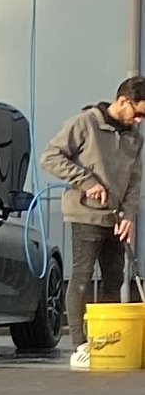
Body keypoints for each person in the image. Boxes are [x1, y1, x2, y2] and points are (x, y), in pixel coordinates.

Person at [41, 77, 145, 319]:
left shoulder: (135, 139)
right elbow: (50, 157)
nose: (139, 121)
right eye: (138, 114)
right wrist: (87, 182)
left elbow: (134, 181)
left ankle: (108, 339)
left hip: (116, 218)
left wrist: (129, 216)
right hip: (85, 214)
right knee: (82, 277)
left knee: (115, 278)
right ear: (123, 101)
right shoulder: (84, 123)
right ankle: (80, 345)